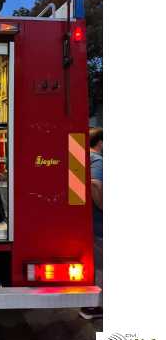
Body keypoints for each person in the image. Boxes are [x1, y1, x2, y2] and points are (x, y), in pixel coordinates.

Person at [80, 127, 103, 320]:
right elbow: (95, 184)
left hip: (86, 221)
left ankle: (90, 304)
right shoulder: (97, 160)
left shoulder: (81, 156)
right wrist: (103, 206)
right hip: (97, 222)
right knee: (100, 266)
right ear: (101, 143)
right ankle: (94, 306)